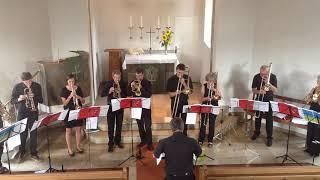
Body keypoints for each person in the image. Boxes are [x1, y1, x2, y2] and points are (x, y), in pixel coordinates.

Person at [11, 72, 43, 162]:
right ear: (22, 81)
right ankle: (22, 151)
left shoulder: (37, 86)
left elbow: (41, 100)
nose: (28, 83)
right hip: (22, 114)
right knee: (23, 133)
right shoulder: (17, 87)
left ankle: (34, 153)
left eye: (29, 81)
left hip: (33, 113)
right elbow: (12, 100)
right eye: (26, 82)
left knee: (33, 133)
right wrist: (20, 98)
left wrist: (35, 96)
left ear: (32, 78)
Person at [250, 65, 278, 147]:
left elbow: (275, 90)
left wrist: (268, 84)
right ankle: (257, 132)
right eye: (261, 74)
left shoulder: (273, 77)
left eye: (264, 74)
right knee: (258, 117)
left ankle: (269, 137)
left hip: (269, 101)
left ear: (268, 72)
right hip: (259, 99)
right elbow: (253, 90)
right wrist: (259, 92)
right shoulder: (256, 76)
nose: (262, 76)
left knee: (269, 120)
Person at [127, 67, 153, 150]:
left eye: (140, 76)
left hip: (146, 108)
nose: (138, 78)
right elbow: (128, 93)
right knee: (140, 125)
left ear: (143, 75)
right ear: (135, 75)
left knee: (148, 126)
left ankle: (149, 143)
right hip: (136, 107)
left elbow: (149, 94)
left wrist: (141, 87)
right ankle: (143, 141)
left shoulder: (147, 82)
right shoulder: (132, 82)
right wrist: (131, 88)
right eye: (137, 76)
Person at [101, 70, 127, 152]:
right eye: (116, 77)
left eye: (119, 78)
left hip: (119, 106)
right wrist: (109, 91)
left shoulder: (122, 83)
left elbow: (125, 95)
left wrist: (121, 92)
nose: (117, 79)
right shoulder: (109, 83)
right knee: (111, 126)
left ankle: (118, 141)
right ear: (113, 77)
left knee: (119, 125)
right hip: (111, 107)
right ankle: (111, 144)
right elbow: (102, 94)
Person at [60, 74, 85, 156]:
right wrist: (70, 96)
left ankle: (78, 146)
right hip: (68, 112)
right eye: (70, 81)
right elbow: (64, 104)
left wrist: (78, 97)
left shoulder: (79, 88)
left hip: (77, 111)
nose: (71, 83)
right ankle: (70, 149)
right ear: (67, 82)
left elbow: (83, 101)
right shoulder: (64, 90)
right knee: (68, 131)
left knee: (78, 129)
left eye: (73, 81)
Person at [167, 64, 193, 136]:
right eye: (179, 72)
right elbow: (169, 94)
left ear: (184, 71)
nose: (180, 74)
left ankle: (184, 136)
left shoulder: (187, 78)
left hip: (185, 102)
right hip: (174, 103)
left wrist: (184, 83)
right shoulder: (171, 79)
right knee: (175, 121)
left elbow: (190, 92)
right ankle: (175, 136)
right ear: (176, 71)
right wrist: (176, 93)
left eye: (182, 72)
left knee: (185, 121)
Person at [198, 72, 222, 147]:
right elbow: (201, 99)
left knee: (212, 124)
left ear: (214, 81)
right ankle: (200, 139)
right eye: (209, 80)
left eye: (212, 80)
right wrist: (207, 98)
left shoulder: (216, 87)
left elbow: (220, 97)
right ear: (207, 80)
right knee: (203, 124)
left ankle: (210, 141)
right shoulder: (204, 86)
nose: (211, 82)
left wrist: (214, 89)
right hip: (205, 106)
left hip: (213, 106)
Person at [304, 75, 320, 156]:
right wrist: (308, 98)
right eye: (318, 81)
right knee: (310, 130)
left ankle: (315, 151)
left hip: (319, 113)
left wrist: (317, 100)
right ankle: (309, 148)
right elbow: (306, 99)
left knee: (317, 132)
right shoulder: (314, 89)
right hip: (312, 111)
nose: (318, 82)